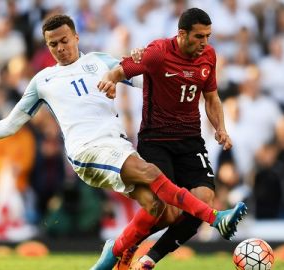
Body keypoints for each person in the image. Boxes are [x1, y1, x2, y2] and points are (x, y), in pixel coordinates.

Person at [0, 14, 246, 270]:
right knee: (149, 172)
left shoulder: (100, 61)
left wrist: (145, 60)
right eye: (53, 44)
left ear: (76, 37)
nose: (60, 48)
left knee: (161, 211)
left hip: (118, 144)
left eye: (64, 40)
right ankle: (215, 218)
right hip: (87, 151)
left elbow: (149, 76)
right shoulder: (43, 81)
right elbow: (12, 124)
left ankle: (115, 253)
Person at [97, 8, 235, 269]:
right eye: (199, 36)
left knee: (204, 201)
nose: (205, 42)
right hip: (156, 139)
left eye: (208, 36)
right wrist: (110, 80)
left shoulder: (209, 56)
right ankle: (128, 244)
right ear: (182, 34)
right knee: (167, 211)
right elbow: (121, 69)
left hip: (191, 140)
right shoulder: (158, 52)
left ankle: (149, 259)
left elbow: (212, 97)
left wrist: (221, 128)